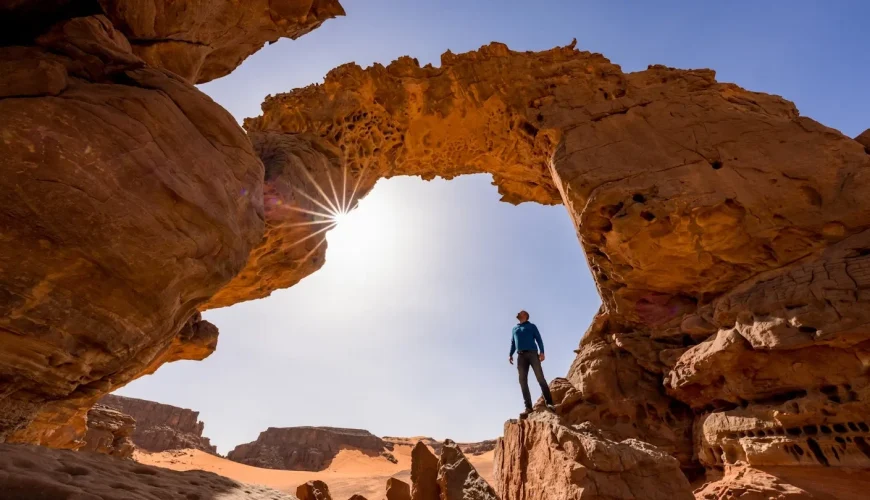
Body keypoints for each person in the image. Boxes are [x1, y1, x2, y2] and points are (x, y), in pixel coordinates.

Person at [509, 310, 555, 416]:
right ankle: (528, 408)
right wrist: (510, 354)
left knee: (540, 378)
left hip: (532, 354)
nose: (518, 313)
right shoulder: (514, 328)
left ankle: (549, 403)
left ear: (525, 315)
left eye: (521, 312)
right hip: (520, 356)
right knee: (522, 381)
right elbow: (513, 343)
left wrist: (542, 352)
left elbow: (539, 339)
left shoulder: (532, 326)